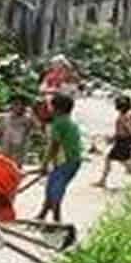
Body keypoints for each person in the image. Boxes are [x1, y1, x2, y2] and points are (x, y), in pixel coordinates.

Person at [37, 92, 85, 224]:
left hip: (66, 161)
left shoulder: (58, 123)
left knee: (55, 190)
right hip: (72, 160)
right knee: (52, 187)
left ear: (56, 108)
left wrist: (44, 164)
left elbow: (54, 145)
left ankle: (56, 219)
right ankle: (42, 216)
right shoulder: (69, 121)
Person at [96, 94, 131, 189]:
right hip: (121, 141)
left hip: (122, 142)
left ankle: (103, 181)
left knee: (114, 160)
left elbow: (130, 130)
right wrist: (112, 138)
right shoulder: (126, 115)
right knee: (121, 162)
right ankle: (103, 180)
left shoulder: (123, 117)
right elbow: (124, 130)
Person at [0, 97, 40, 167]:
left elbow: (38, 128)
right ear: (12, 106)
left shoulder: (27, 119)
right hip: (5, 150)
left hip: (19, 152)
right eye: (16, 104)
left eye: (21, 105)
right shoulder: (4, 117)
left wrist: (32, 114)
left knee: (16, 168)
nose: (19, 107)